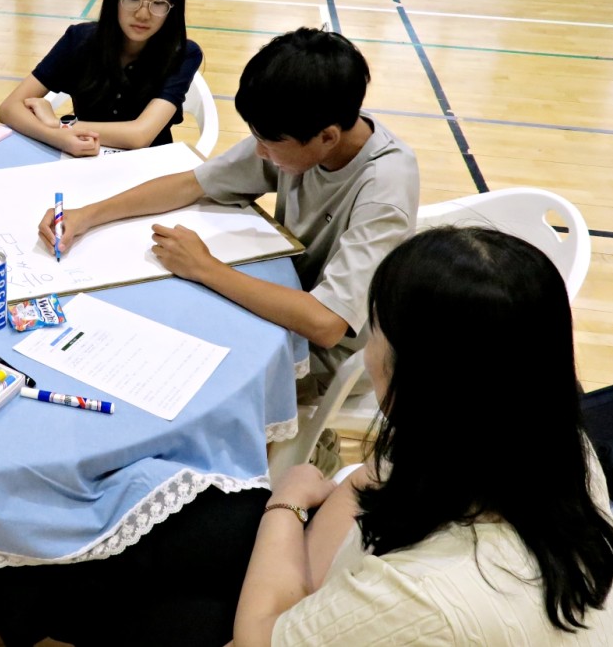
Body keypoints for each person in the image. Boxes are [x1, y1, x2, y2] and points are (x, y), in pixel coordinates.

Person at [0, 227, 613, 646]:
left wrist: (289, 508)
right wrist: (308, 518)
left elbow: (261, 638)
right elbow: (364, 485)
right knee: (198, 514)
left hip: (365, 614)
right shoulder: (538, 436)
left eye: (377, 328)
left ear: (418, 376)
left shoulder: (429, 602)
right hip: (369, 583)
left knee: (164, 607)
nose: (365, 341)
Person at [41, 27, 419, 396]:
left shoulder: (383, 188)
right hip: (284, 298)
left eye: (268, 143)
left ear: (328, 137)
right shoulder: (306, 120)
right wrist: (87, 214)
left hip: (334, 356)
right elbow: (193, 183)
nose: (259, 154)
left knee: (170, 371)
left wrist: (204, 267)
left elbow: (326, 324)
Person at [0, 0, 202, 156]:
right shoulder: (80, 40)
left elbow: (139, 135)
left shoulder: (183, 54)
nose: (143, 14)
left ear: (173, 5)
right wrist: (59, 137)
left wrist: (59, 125)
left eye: (159, 3)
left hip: (147, 172)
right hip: (83, 163)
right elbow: (9, 108)